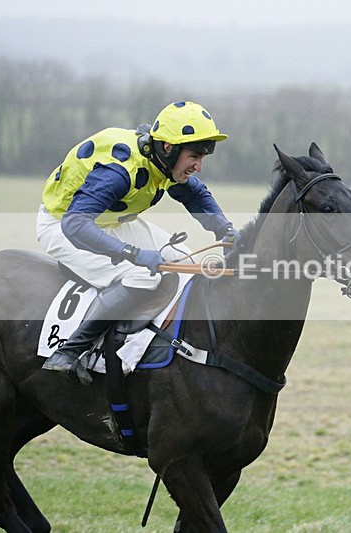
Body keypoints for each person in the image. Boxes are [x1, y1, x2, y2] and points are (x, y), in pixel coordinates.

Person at [37, 100, 239, 375]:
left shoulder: (162, 161)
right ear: (169, 148)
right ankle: (73, 350)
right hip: (64, 225)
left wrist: (225, 231)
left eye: (202, 157)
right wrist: (132, 254)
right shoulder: (119, 172)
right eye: (195, 156)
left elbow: (195, 194)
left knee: (180, 259)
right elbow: (75, 225)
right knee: (143, 275)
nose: (199, 166)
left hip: (107, 222)